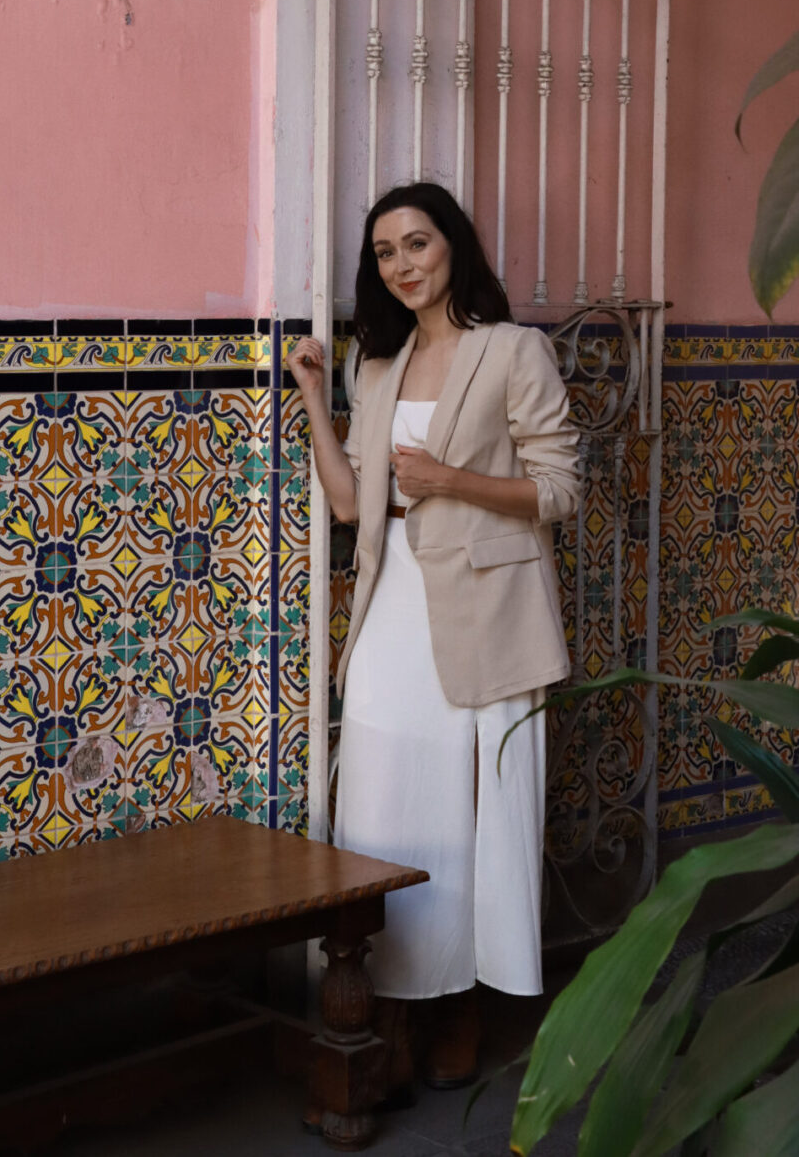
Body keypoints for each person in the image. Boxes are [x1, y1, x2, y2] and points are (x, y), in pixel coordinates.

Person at [286, 181, 580, 1097]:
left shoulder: (513, 352)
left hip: (490, 614)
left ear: (453, 245)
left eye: (417, 243)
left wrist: (451, 478)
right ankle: (396, 1000)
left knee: (472, 813)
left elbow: (561, 492)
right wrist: (311, 397)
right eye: (384, 253)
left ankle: (463, 1005)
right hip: (394, 606)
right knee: (385, 799)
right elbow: (348, 502)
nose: (403, 265)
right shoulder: (377, 367)